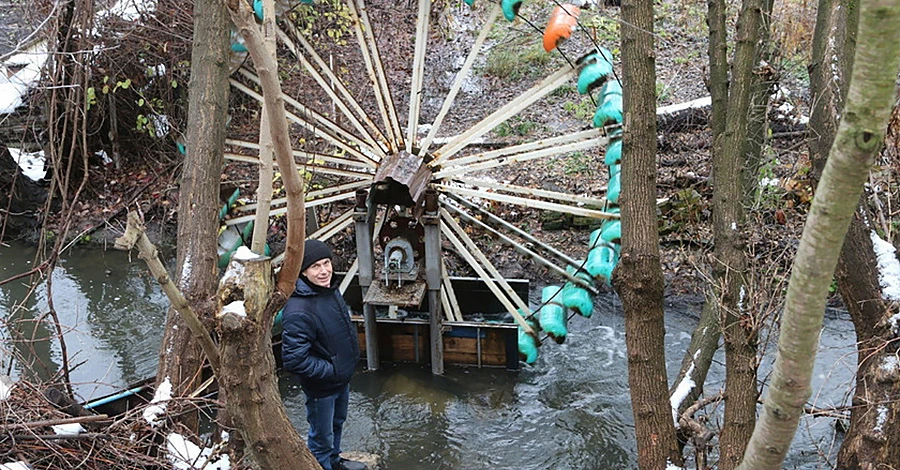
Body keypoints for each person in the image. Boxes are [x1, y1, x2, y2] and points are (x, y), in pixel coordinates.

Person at [281, 239, 366, 470]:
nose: (324, 271)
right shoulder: (299, 310)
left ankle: (335, 462)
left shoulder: (329, 291)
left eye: (326, 263)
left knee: (337, 423)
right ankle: (322, 465)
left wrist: (342, 368)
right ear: (304, 272)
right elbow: (294, 359)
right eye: (316, 266)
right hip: (322, 387)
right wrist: (331, 370)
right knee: (321, 438)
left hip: (340, 379)